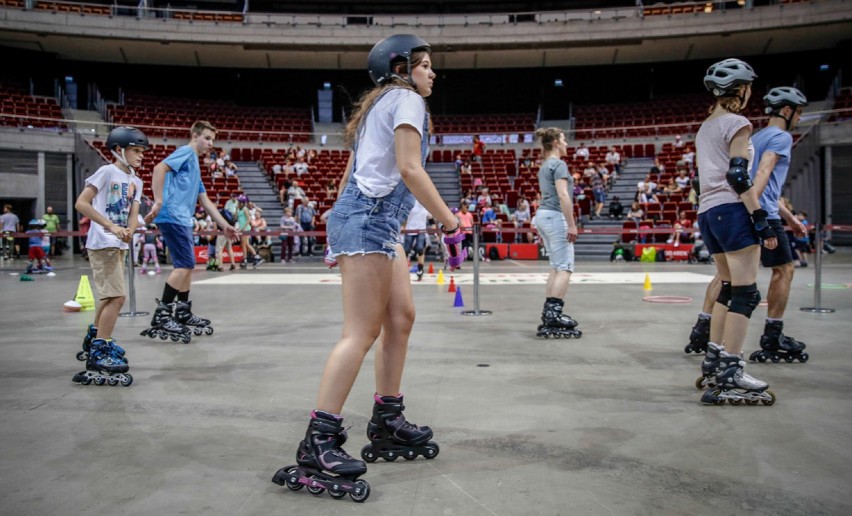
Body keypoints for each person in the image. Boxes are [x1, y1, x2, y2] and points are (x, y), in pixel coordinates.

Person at [271, 34, 462, 501]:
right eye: (424, 65)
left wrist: (339, 227)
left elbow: (352, 171)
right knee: (360, 333)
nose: (432, 73)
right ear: (402, 68)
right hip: (370, 220)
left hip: (373, 220)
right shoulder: (407, 100)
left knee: (401, 318)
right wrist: (452, 223)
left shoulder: (385, 103)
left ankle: (387, 418)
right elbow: (410, 168)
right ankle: (319, 441)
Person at [687, 86, 810, 365]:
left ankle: (708, 343)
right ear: (788, 110)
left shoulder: (740, 132)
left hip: (710, 210)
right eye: (799, 112)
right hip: (743, 207)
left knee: (727, 282)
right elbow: (752, 175)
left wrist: (789, 217)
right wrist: (757, 214)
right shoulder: (774, 135)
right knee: (769, 279)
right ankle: (758, 344)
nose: (800, 118)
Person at [690, 58, 778, 406]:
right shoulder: (737, 123)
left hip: (708, 214)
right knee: (746, 294)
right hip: (732, 209)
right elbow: (739, 175)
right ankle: (732, 370)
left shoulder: (705, 127)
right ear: (741, 89)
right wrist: (760, 217)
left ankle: (714, 358)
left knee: (727, 288)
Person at [143, 121, 239, 342]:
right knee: (185, 265)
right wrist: (158, 201)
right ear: (195, 136)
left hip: (182, 219)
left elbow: (205, 201)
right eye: (207, 138)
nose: (210, 143)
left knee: (186, 265)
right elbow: (159, 168)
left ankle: (183, 312)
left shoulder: (194, 163)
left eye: (213, 140)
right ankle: (163, 314)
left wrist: (224, 225)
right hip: (173, 215)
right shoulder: (186, 152)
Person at [72, 126, 145, 387]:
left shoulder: (137, 181)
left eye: (141, 151)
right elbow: (82, 203)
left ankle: (95, 338)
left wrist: (130, 230)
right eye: (136, 151)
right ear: (118, 150)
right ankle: (101, 349)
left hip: (119, 244)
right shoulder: (106, 172)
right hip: (102, 243)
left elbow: (133, 213)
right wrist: (111, 226)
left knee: (109, 295)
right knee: (118, 296)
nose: (141, 156)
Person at [532, 127, 581, 339]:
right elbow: (563, 195)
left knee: (555, 265)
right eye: (564, 140)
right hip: (554, 215)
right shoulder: (559, 164)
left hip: (542, 215)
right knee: (565, 267)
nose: (567, 144)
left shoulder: (544, 165)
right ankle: (553, 315)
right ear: (555, 143)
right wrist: (571, 224)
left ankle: (549, 313)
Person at [403, 200, 430, 281]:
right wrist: (403, 226)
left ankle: (420, 269)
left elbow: (431, 218)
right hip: (410, 229)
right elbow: (405, 216)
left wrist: (435, 232)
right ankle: (403, 269)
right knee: (406, 251)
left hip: (421, 229)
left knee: (420, 249)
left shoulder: (426, 204)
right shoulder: (412, 202)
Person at [235, 195, 263, 268]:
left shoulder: (245, 209)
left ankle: (251, 258)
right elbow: (235, 217)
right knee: (245, 244)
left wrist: (243, 227)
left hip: (246, 229)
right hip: (242, 228)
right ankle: (251, 258)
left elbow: (249, 219)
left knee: (245, 244)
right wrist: (236, 209)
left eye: (239, 201)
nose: (237, 202)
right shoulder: (240, 209)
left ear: (242, 202)